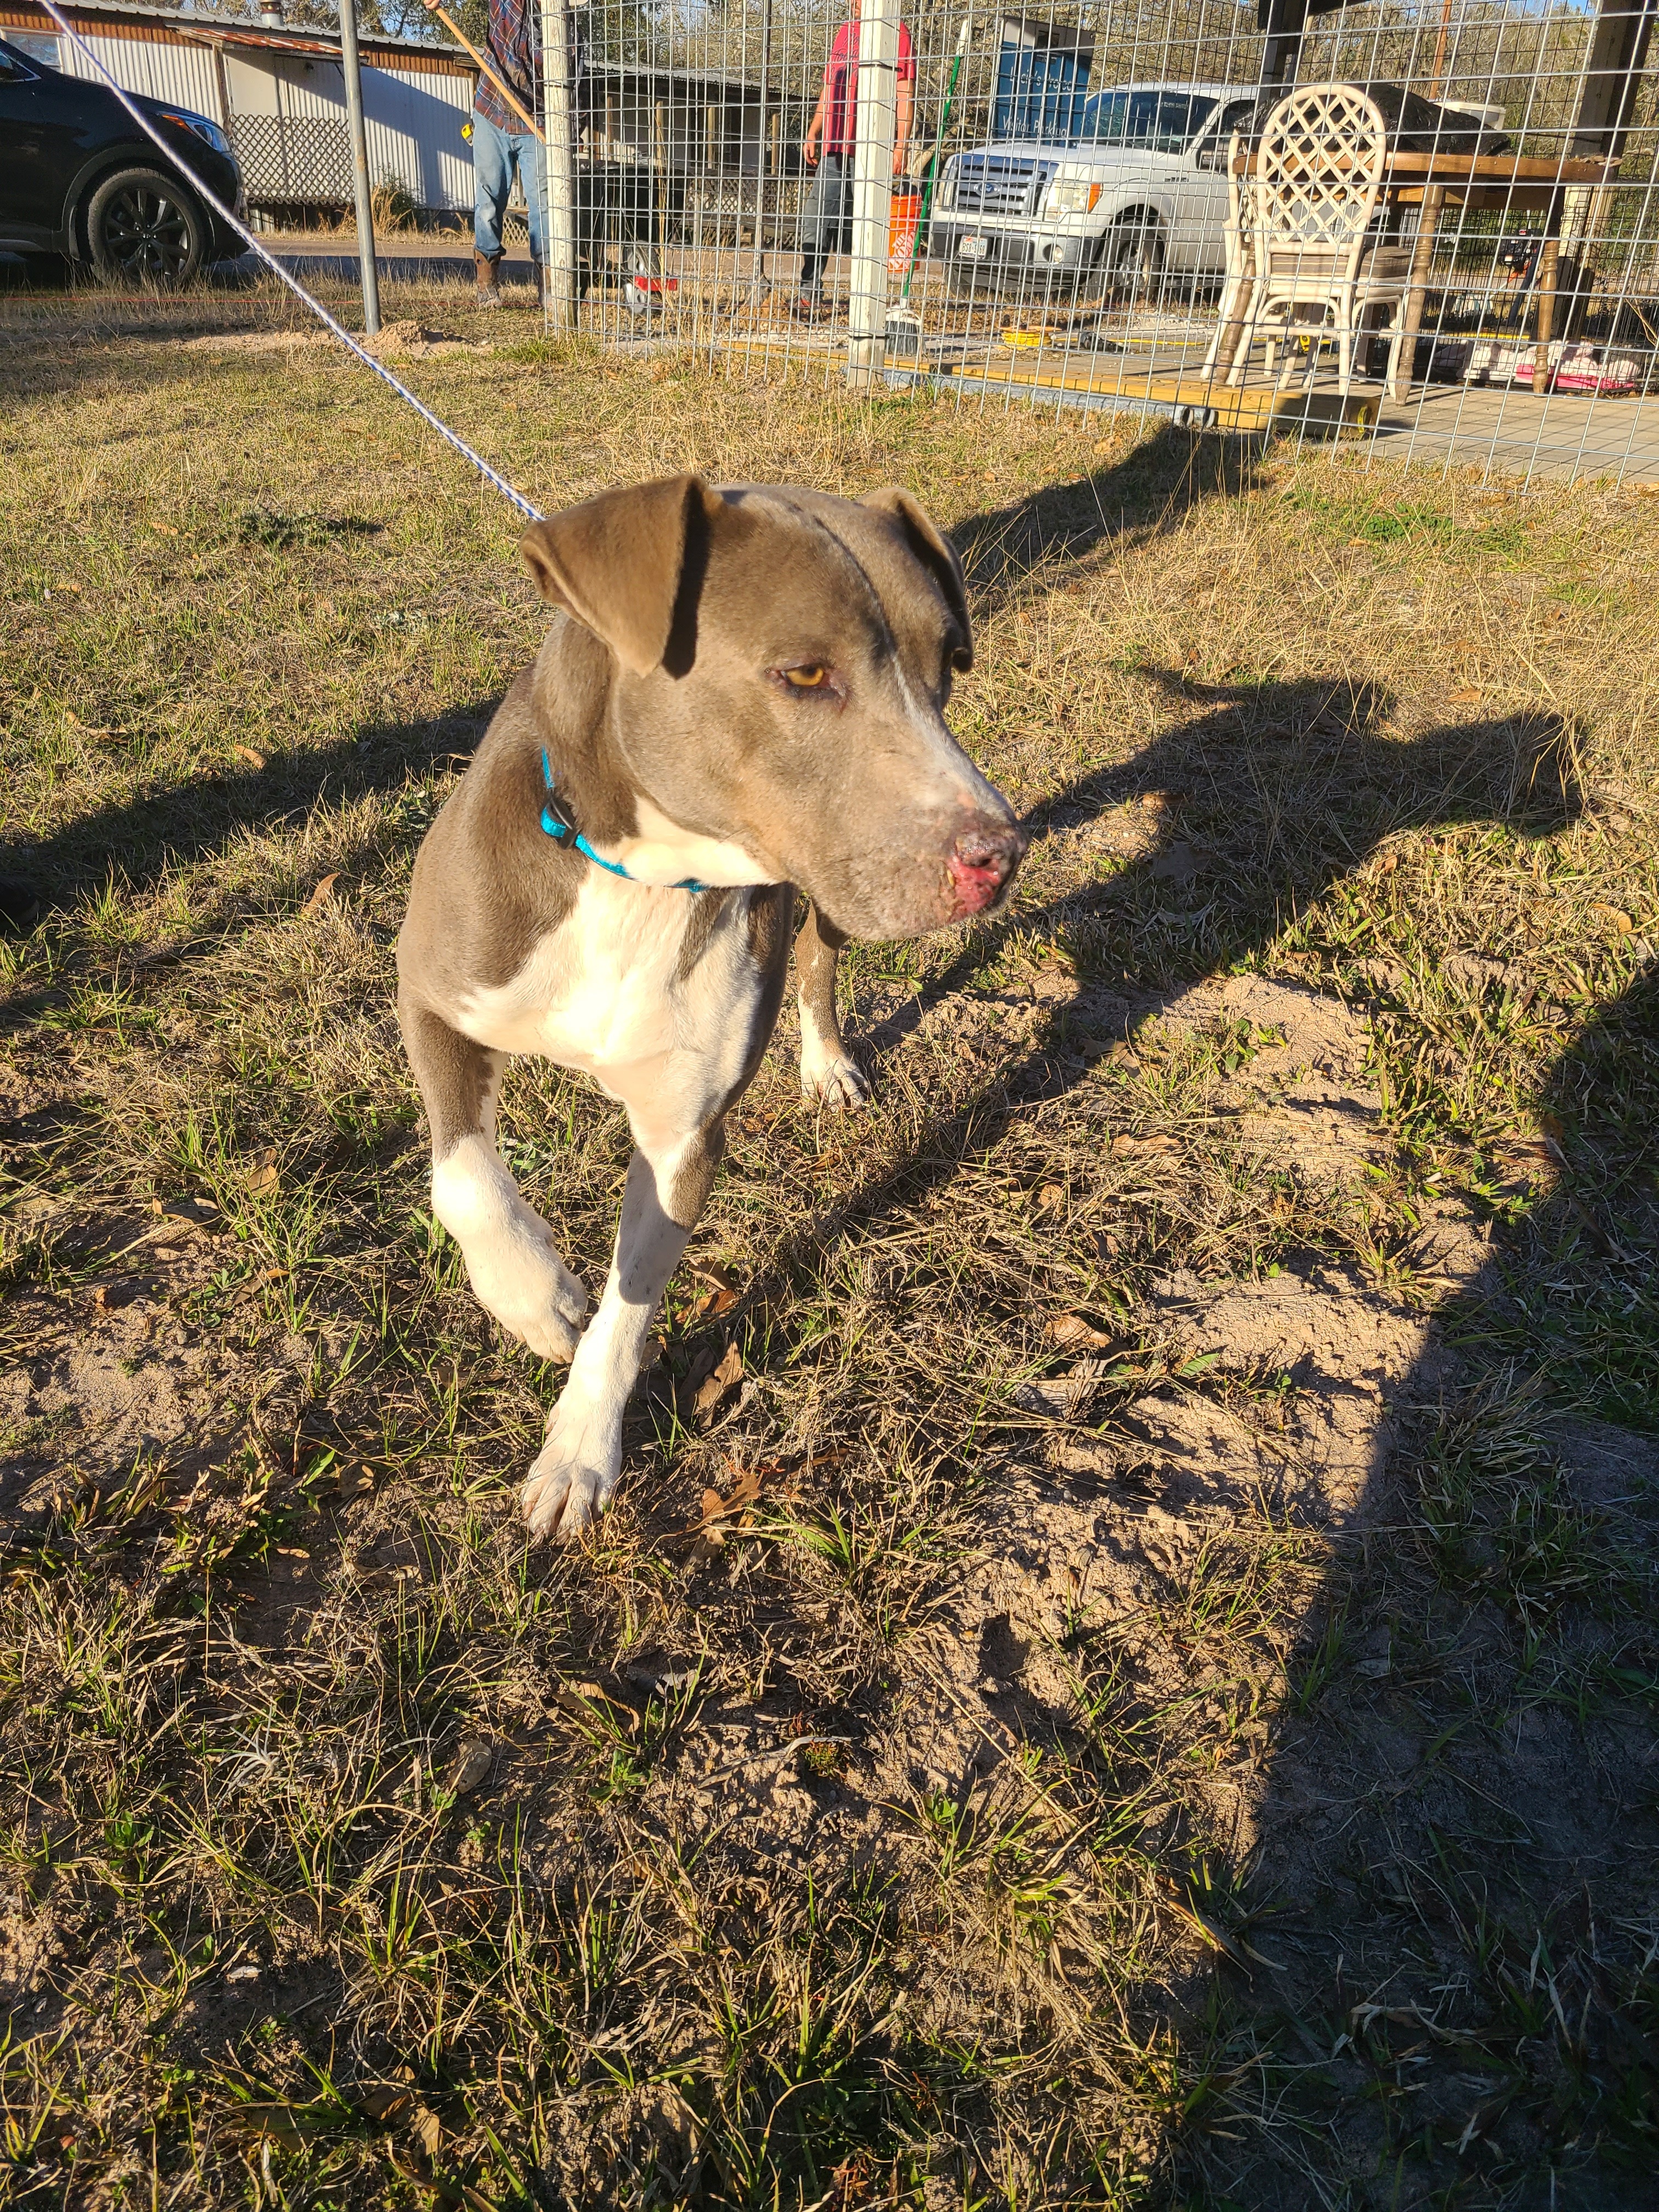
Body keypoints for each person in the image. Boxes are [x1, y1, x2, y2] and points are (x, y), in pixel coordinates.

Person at [795, 0, 913, 318]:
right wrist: (814, 130)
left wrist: (900, 147)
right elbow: (829, 85)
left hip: (871, 150)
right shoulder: (845, 32)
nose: (855, 4)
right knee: (816, 219)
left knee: (868, 226)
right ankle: (809, 293)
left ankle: (871, 303)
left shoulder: (897, 33)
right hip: (835, 147)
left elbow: (904, 94)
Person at [469, 0, 590, 307]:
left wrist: (569, 138)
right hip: (492, 109)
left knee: (547, 204)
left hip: (538, 122)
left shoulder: (569, 29)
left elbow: (577, 89)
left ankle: (550, 285)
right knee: (489, 199)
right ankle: (486, 284)